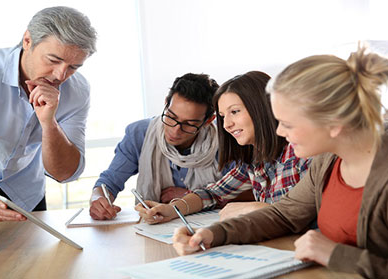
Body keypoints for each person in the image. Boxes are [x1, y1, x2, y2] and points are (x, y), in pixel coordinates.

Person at [172, 47, 388, 278]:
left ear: (334, 123)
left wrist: (335, 254)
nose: (279, 131)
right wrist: (214, 234)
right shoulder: (328, 161)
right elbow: (283, 215)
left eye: (289, 123)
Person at [0, 6, 97, 221]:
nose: (60, 75)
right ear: (27, 41)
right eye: (53, 60)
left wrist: (49, 123)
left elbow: (65, 173)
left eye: (73, 67)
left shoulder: (77, 91)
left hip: (27, 199)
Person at [136, 71, 310, 223]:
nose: (227, 125)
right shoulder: (253, 160)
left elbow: (306, 212)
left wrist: (259, 208)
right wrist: (173, 209)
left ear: (261, 108)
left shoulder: (302, 154)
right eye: (222, 116)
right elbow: (213, 193)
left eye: (234, 112)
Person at [89, 73, 226, 220]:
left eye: (189, 124)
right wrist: (98, 200)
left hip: (209, 227)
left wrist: (190, 198)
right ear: (166, 103)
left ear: (208, 120)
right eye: (171, 117)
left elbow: (243, 193)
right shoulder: (140, 134)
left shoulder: (224, 141)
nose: (175, 130)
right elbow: (108, 183)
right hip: (154, 227)